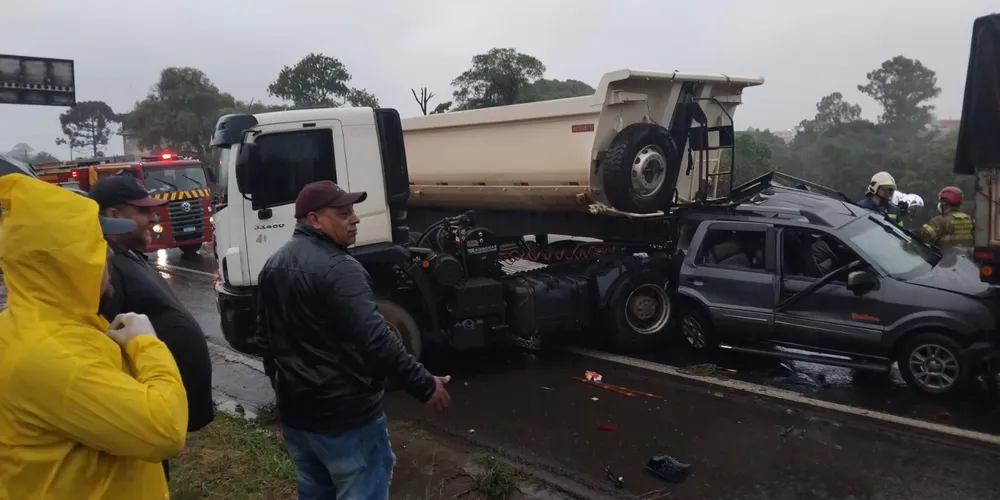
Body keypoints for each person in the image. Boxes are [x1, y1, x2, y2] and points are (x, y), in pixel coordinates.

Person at [256, 180, 452, 500]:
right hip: (346, 421)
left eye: (353, 211)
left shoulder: (273, 265)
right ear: (314, 219)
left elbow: (265, 341)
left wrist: (284, 387)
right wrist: (424, 384)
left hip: (297, 420)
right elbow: (376, 339)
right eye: (343, 212)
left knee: (315, 491)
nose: (355, 219)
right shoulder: (340, 269)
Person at [0, 173, 188, 499]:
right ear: (67, 262)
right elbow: (165, 429)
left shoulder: (45, 323)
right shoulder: (54, 357)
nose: (110, 254)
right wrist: (147, 345)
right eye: (97, 243)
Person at [89, 175, 215, 479]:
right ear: (114, 216)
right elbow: (106, 346)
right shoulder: (108, 270)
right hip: (145, 414)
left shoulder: (129, 256)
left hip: (164, 408)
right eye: (144, 211)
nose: (154, 217)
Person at [921, 186, 975, 250]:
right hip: (966, 259)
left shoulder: (937, 221)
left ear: (944, 203)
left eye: (940, 200)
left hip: (944, 259)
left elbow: (926, 239)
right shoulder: (970, 220)